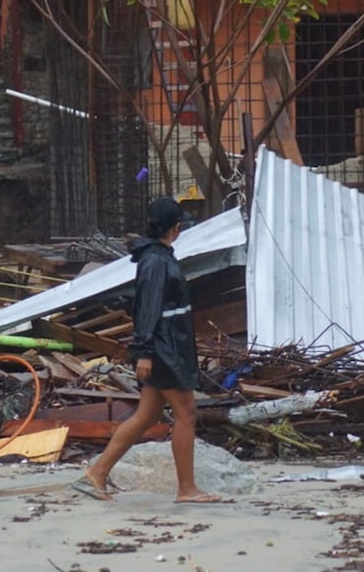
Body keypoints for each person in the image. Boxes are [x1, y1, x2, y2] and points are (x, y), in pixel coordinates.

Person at [76, 197, 221, 504]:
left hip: (166, 345)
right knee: (186, 413)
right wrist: (144, 352)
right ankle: (186, 489)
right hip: (163, 348)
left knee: (146, 415)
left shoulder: (158, 256)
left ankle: (97, 473)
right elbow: (147, 309)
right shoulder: (156, 261)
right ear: (176, 228)